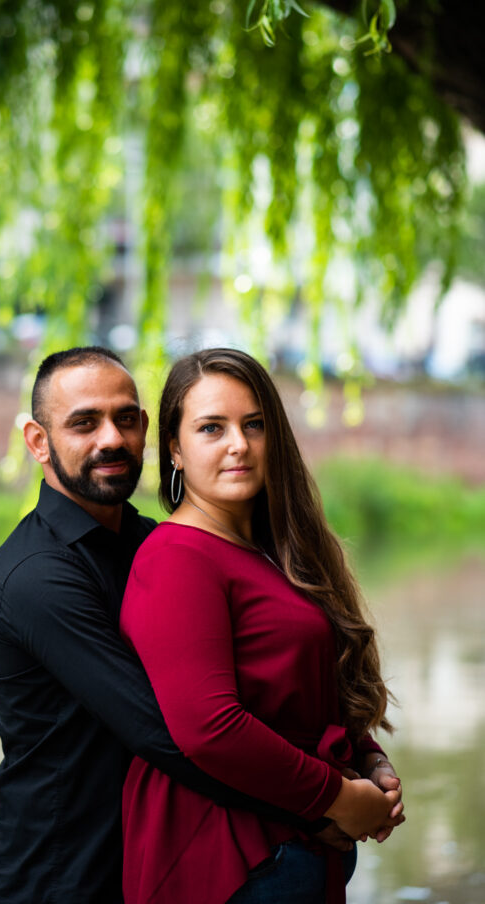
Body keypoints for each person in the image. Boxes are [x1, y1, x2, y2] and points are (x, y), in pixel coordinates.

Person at [0, 346, 335, 904]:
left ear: (147, 429)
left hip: (155, 854)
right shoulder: (34, 577)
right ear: (38, 441)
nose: (111, 439)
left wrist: (362, 755)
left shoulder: (154, 544)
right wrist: (320, 805)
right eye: (84, 423)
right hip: (64, 874)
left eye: (125, 418)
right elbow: (169, 731)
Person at [120, 348, 405, 904]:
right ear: (175, 449)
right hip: (231, 852)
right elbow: (209, 726)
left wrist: (368, 756)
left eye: (254, 424)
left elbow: (300, 688)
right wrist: (339, 798)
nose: (239, 445)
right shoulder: (177, 556)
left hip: (295, 838)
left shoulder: (270, 552)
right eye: (211, 428)